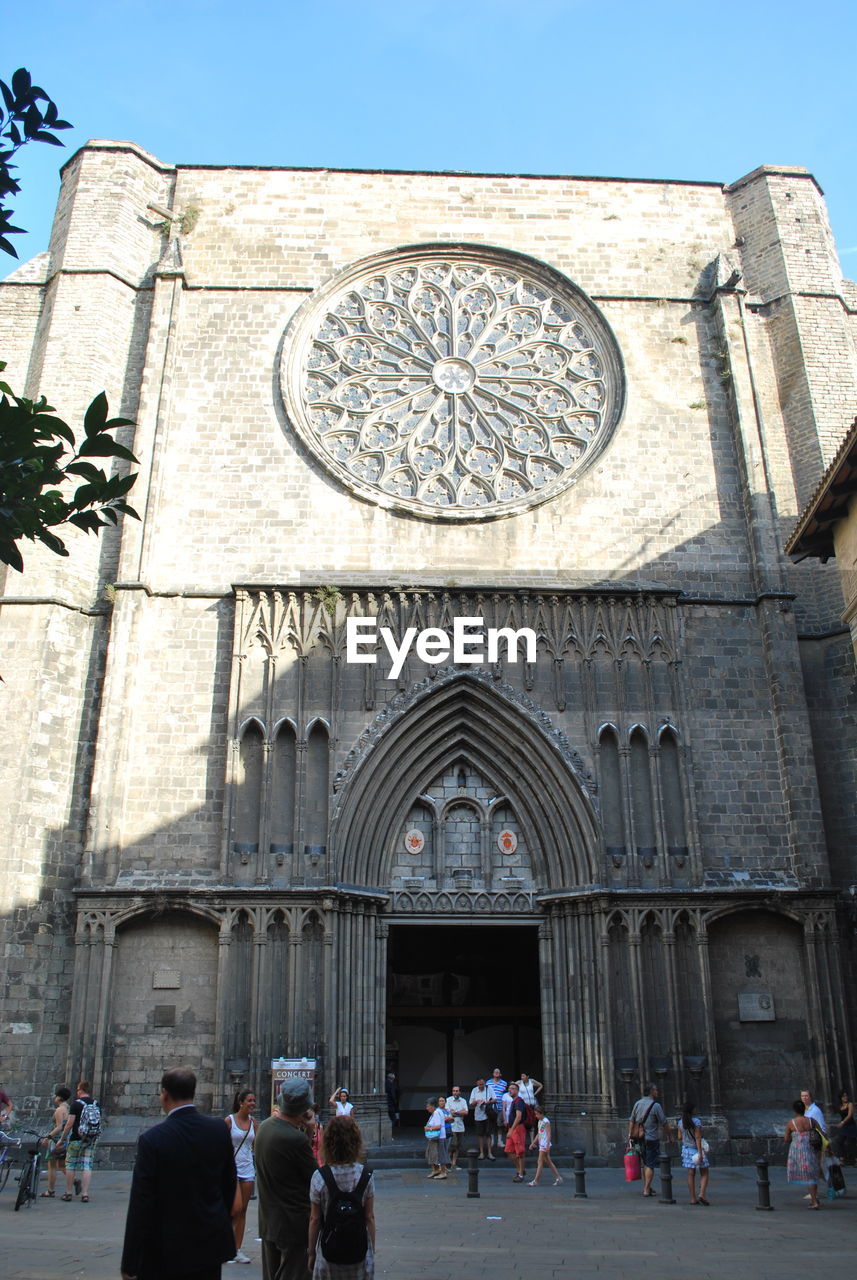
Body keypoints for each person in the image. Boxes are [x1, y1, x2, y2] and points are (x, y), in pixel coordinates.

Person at [120, 1067, 237, 1280]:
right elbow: (229, 1185)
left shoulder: (152, 1139)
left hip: (165, 1250)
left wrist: (130, 1262)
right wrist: (217, 1221)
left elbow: (141, 1203)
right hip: (209, 1244)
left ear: (164, 1094)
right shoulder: (218, 1129)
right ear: (193, 1092)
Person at [254, 1078, 319, 1280]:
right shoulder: (295, 1139)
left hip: (268, 1221)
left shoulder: (264, 1127)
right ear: (304, 1108)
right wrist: (308, 1133)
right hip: (293, 1225)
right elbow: (315, 1178)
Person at [308, 1115, 375, 1279]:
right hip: (358, 1251)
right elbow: (369, 1217)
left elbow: (315, 1219)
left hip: (329, 1251)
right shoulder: (366, 1174)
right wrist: (371, 1250)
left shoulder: (319, 1176)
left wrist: (311, 1253)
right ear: (355, 1141)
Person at [225, 1087, 257, 1265]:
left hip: (248, 1169)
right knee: (234, 1209)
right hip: (232, 1169)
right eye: (250, 1101)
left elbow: (257, 1146)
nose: (253, 1103)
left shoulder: (254, 1123)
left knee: (243, 1210)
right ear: (241, 1102)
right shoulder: (229, 1121)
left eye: (254, 1101)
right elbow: (220, 1143)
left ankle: (237, 1250)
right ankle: (226, 1246)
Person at [59, 1079, 99, 1202]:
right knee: (87, 1166)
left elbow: (69, 1123)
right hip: (90, 1139)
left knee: (70, 1165)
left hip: (76, 1138)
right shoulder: (95, 1103)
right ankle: (85, 1194)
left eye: (77, 1090)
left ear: (81, 1090)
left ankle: (69, 1192)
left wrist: (62, 1138)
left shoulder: (76, 1104)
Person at [628, 1083, 671, 1198]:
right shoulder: (655, 1105)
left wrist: (630, 1136)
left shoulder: (637, 1103)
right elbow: (664, 1122)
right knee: (650, 1164)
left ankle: (646, 1186)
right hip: (651, 1139)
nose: (658, 1092)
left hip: (638, 1139)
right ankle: (647, 1189)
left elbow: (631, 1120)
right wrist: (670, 1136)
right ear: (651, 1092)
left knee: (644, 1163)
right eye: (656, 1090)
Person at [785, 1098, 820, 1209]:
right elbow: (821, 1133)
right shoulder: (811, 1121)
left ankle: (814, 1201)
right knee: (812, 1174)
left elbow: (786, 1139)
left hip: (799, 1151)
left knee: (809, 1177)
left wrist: (795, 1137)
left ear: (795, 1110)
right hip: (811, 1149)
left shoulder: (791, 1123)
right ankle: (815, 1197)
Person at [40, 1085, 71, 1197]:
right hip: (65, 1140)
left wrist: (48, 1137)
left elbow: (58, 1127)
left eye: (56, 1096)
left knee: (52, 1166)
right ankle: (75, 1180)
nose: (55, 1098)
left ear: (59, 1097)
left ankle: (50, 1190)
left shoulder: (59, 1110)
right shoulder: (68, 1108)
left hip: (56, 1141)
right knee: (61, 1164)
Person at [677, 1100, 710, 1205]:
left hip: (687, 1150)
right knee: (704, 1172)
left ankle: (692, 1198)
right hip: (696, 1150)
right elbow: (698, 1137)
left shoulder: (680, 1122)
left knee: (691, 1174)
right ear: (692, 1110)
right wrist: (700, 1153)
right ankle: (702, 1194)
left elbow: (679, 1137)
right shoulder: (696, 1122)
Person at [527, 1105, 562, 1185]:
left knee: (540, 1162)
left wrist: (547, 1145)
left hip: (544, 1144)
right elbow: (539, 1133)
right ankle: (558, 1177)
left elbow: (549, 1134)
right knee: (548, 1161)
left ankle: (536, 1180)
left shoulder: (546, 1121)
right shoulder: (540, 1122)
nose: (536, 1116)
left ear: (541, 1113)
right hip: (542, 1143)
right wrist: (533, 1143)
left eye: (536, 1114)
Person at [503, 1082, 527, 1182]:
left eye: (512, 1088)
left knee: (519, 1152)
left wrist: (511, 1129)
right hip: (512, 1128)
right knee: (509, 1151)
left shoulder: (519, 1101)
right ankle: (520, 1169)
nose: (510, 1090)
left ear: (517, 1091)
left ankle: (520, 1174)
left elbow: (519, 1117)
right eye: (509, 1088)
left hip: (517, 1129)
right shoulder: (514, 1101)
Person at [469, 1077, 493, 1160]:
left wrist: (487, 1102)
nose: (481, 1086)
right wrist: (475, 1102)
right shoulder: (474, 1090)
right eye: (479, 1084)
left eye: (482, 1084)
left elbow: (495, 1099)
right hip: (478, 1115)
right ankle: (482, 1152)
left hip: (487, 1114)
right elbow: (470, 1104)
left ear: (485, 1083)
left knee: (488, 1134)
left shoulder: (489, 1089)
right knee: (480, 1134)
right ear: (477, 1084)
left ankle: (490, 1152)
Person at [424, 1096, 447, 1180]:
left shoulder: (437, 1112)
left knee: (440, 1154)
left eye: (428, 1106)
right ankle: (435, 1170)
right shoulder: (435, 1113)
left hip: (439, 1137)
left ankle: (443, 1172)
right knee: (431, 1153)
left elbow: (438, 1126)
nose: (427, 1108)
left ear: (433, 1106)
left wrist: (428, 1128)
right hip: (434, 1138)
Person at [445, 1085, 468, 1169]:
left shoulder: (463, 1101)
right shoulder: (448, 1100)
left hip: (461, 1127)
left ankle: (454, 1164)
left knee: (458, 1146)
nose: (455, 1092)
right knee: (452, 1146)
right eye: (454, 1091)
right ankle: (448, 1164)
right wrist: (459, 1112)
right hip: (452, 1127)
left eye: (457, 1091)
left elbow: (466, 1112)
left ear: (460, 1092)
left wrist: (456, 1112)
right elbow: (449, 1113)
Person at [832, 1088, 857, 1165]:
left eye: (846, 1096)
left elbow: (850, 1115)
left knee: (852, 1143)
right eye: (843, 1096)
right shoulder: (840, 1106)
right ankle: (842, 1159)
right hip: (844, 1127)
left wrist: (842, 1122)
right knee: (838, 1141)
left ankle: (855, 1160)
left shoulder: (850, 1104)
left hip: (851, 1126)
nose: (845, 1097)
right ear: (841, 1098)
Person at [486, 1068, 507, 1155]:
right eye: (495, 1072)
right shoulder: (488, 1082)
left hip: (500, 1107)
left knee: (499, 1124)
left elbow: (505, 1094)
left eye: (498, 1072)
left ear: (500, 1074)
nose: (496, 1073)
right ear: (493, 1074)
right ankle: (492, 1140)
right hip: (491, 1107)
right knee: (491, 1124)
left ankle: (499, 1140)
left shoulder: (504, 1083)